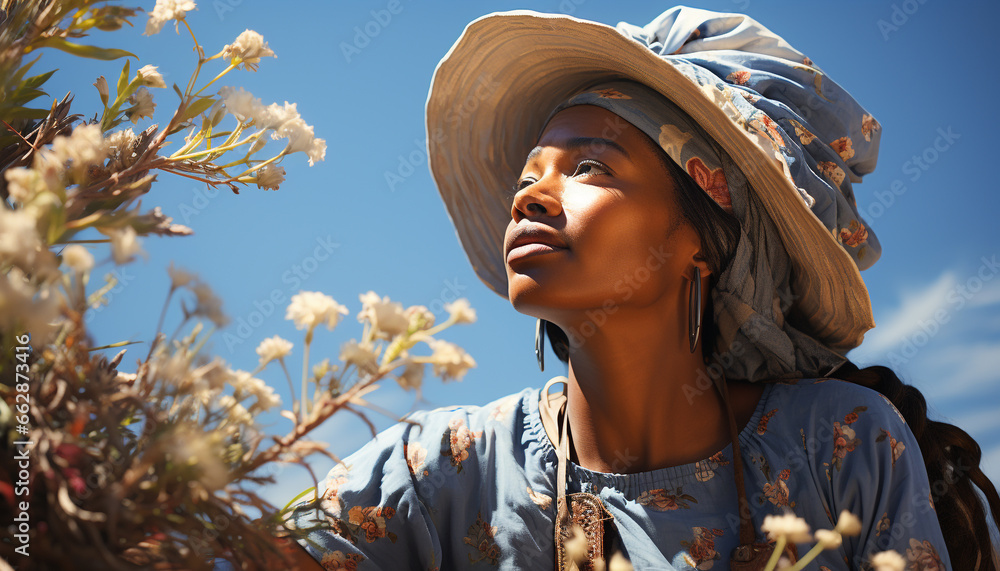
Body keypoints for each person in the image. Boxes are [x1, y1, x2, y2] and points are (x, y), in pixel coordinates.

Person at [279, 6, 1000, 570]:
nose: (528, 198)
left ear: (701, 239)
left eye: (589, 168)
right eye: (528, 176)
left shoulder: (840, 445)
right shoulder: (442, 465)